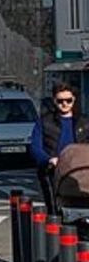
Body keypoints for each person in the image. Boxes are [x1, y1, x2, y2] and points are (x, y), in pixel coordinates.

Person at [31, 82, 89, 211]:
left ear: (74, 99)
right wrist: (48, 160)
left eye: (68, 100)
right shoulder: (45, 122)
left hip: (81, 173)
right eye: (60, 101)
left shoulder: (84, 122)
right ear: (54, 101)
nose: (65, 104)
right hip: (53, 172)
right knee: (55, 211)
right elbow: (35, 147)